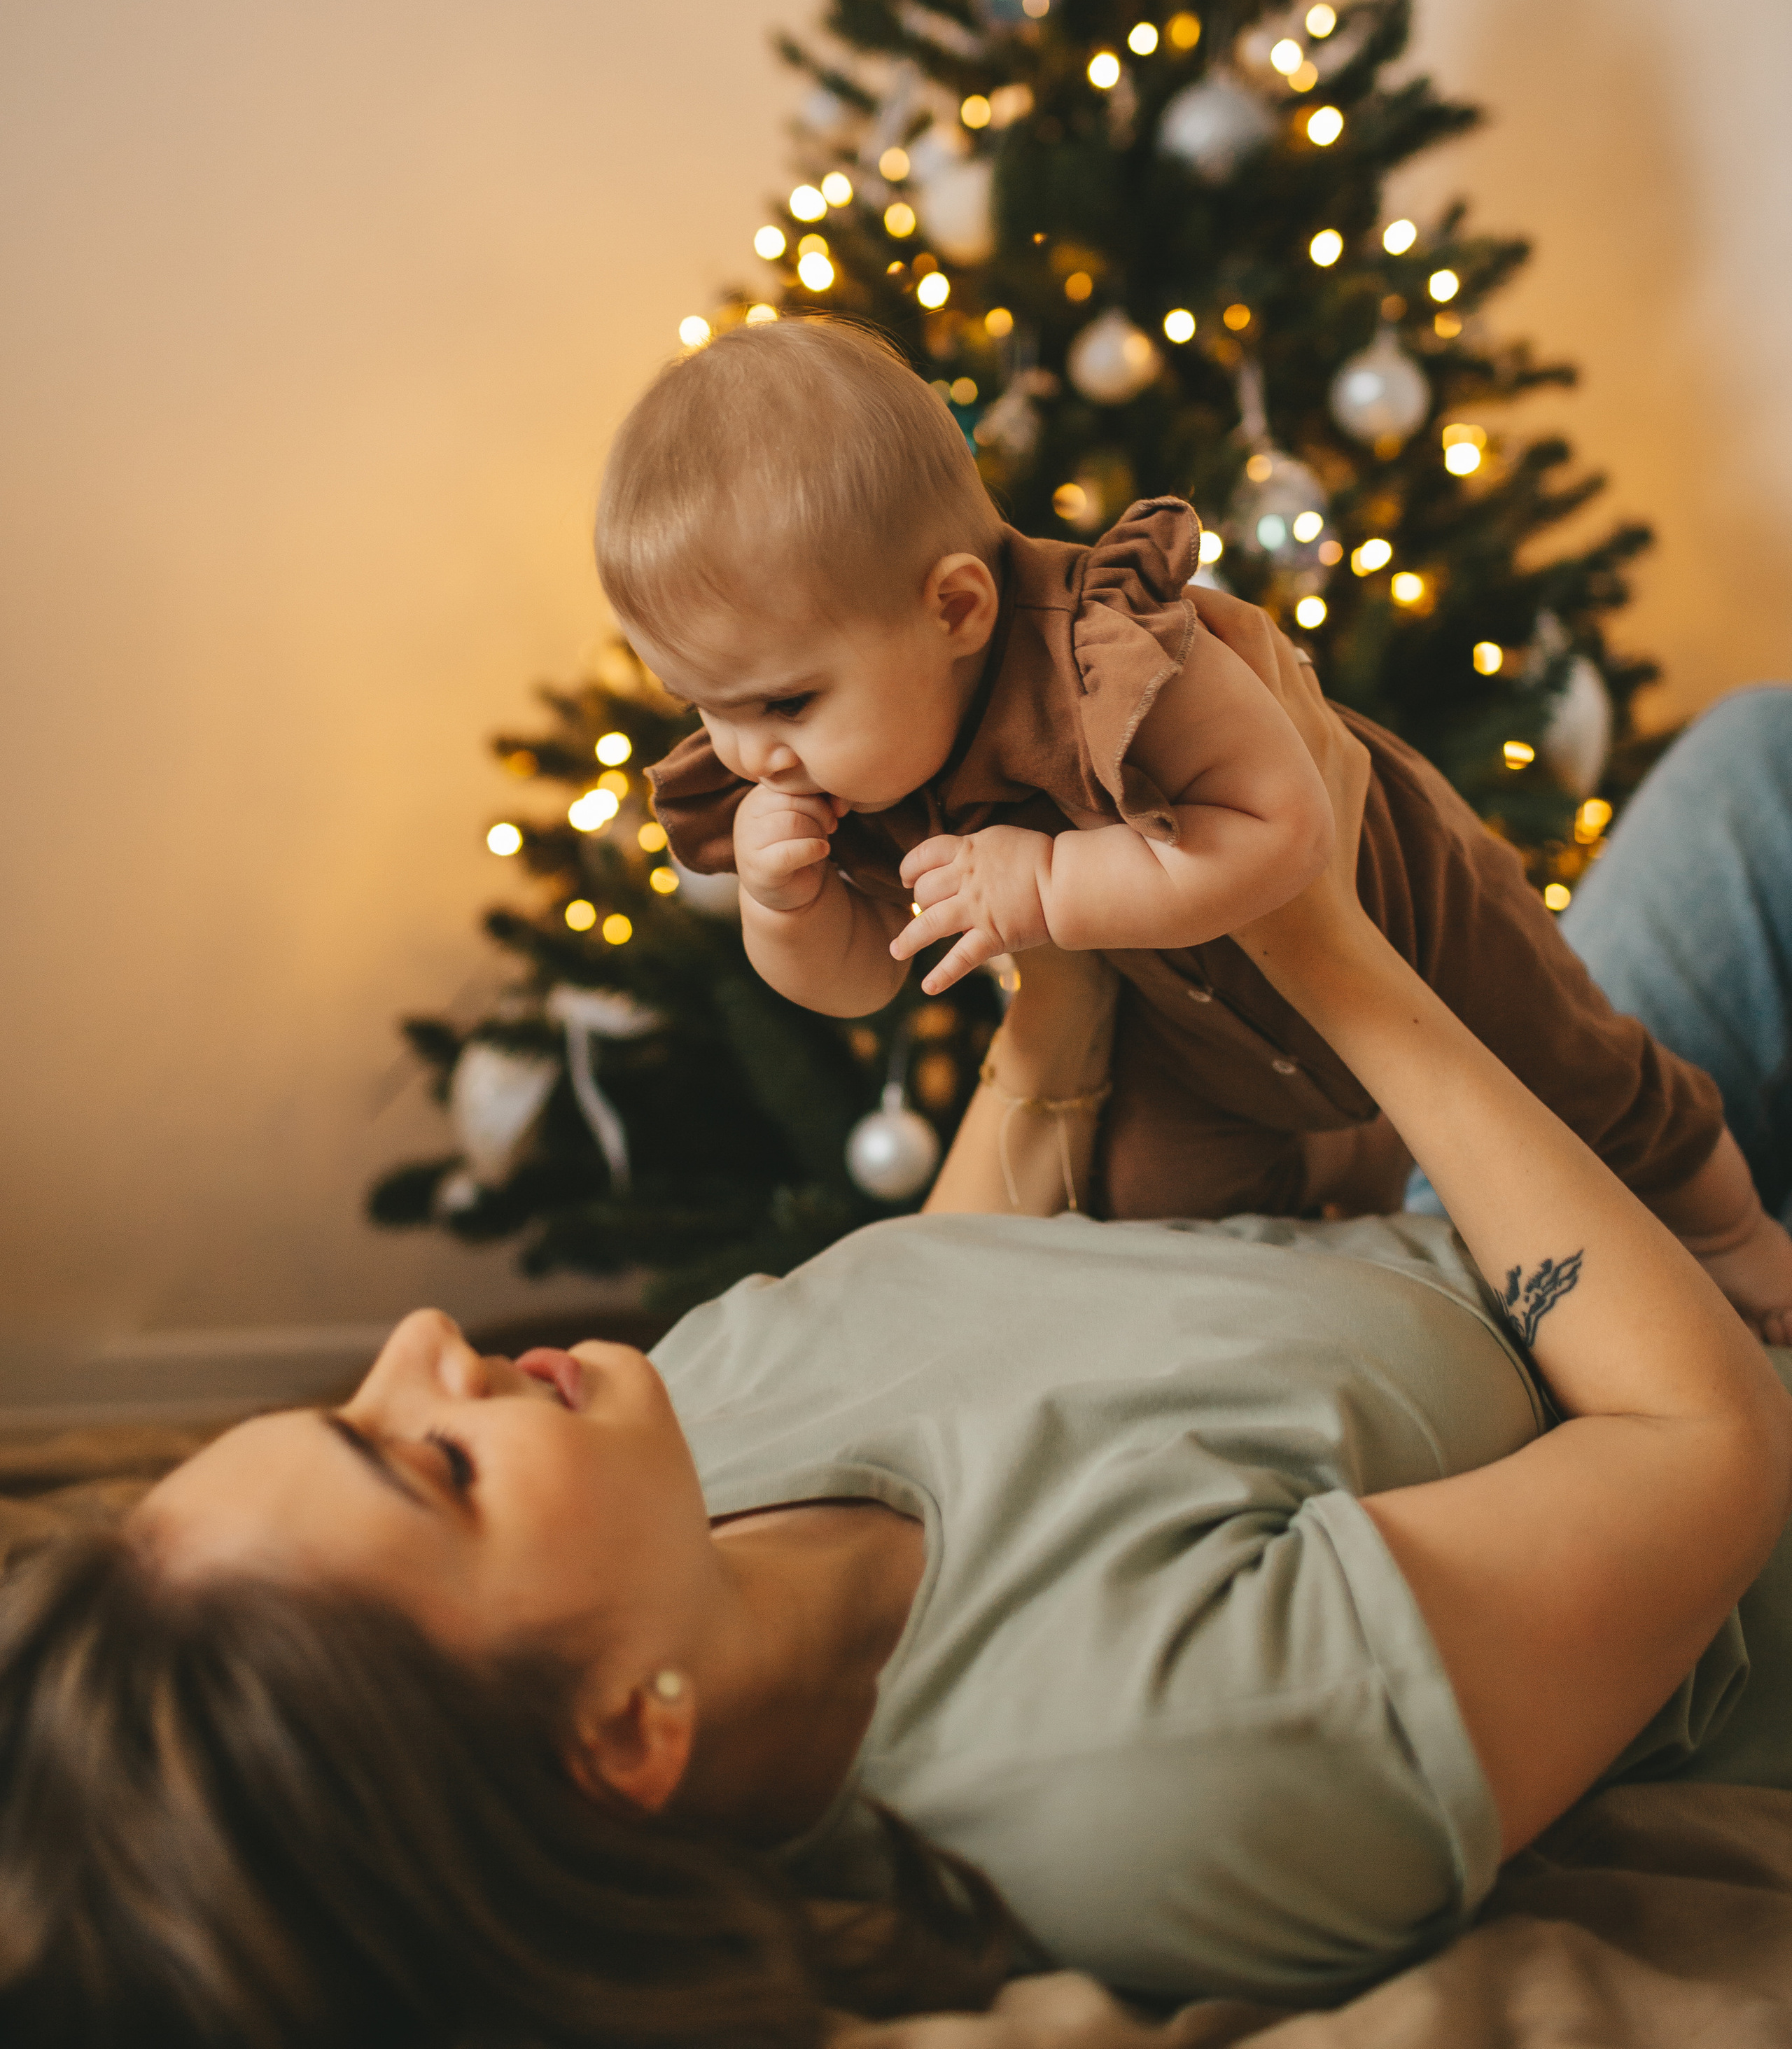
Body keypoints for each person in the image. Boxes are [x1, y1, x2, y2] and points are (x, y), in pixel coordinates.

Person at [6, 616, 1792, 2044]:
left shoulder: (671, 1464)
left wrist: (1049, 871)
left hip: (1460, 1227)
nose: (425, 1339)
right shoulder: (1156, 1766)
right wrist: (1311, 928)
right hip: (1693, 1360)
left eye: (354, 1395)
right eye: (431, 1464)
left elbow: (958, 1288)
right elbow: (1698, 1448)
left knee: (1748, 774)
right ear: (624, 1737)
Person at [605, 316, 1792, 1331]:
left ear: (956, 609)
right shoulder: (866, 742)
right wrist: (786, 910)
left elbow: (1283, 835)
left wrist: (1053, 890)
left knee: (1583, 1080)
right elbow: (867, 976)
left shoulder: (1112, 654)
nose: (752, 752)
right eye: (703, 706)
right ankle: (1375, 1336)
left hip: (1404, 915)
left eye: (782, 701)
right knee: (1149, 1214)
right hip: (1190, 1021)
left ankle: (1739, 1241)